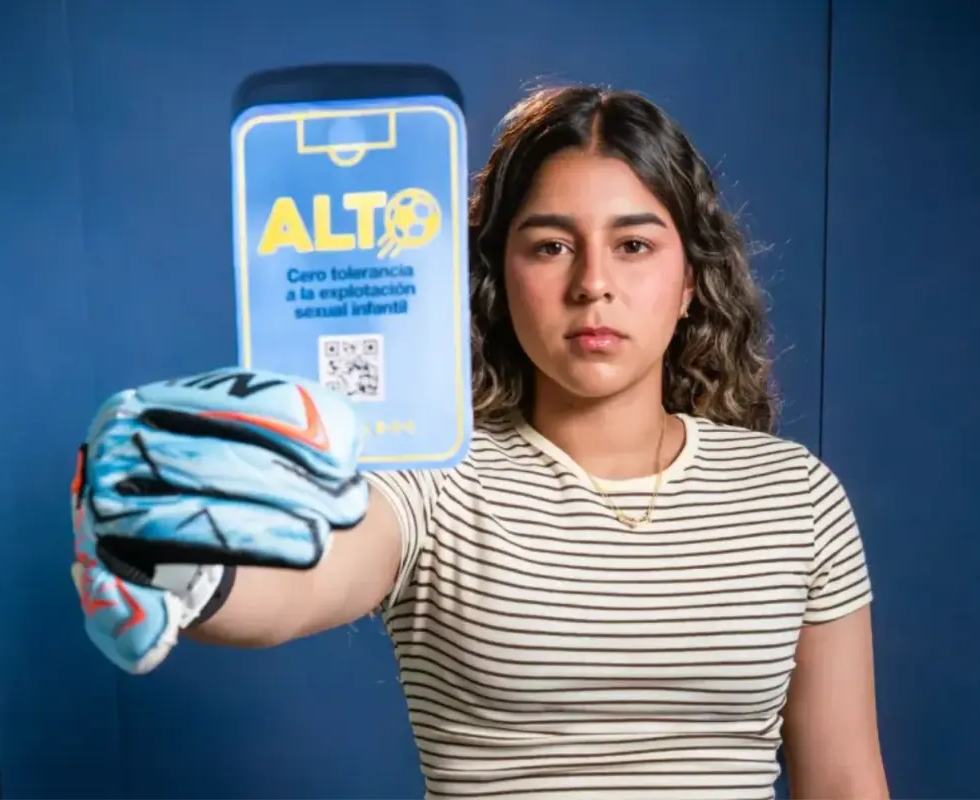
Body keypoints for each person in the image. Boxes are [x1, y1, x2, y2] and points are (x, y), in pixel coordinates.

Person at [71, 85, 889, 800]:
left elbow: (846, 781)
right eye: (551, 245)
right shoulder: (434, 477)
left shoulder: (797, 495)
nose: (593, 283)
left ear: (689, 285)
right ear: (499, 281)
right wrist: (172, 559)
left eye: (633, 245)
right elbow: (302, 582)